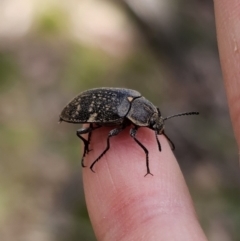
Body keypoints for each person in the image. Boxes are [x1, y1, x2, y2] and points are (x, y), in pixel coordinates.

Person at [82, 2, 239, 240]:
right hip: (89, 105)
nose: (156, 127)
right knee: (93, 131)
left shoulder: (139, 106)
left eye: (154, 124)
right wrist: (145, 156)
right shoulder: (130, 115)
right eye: (154, 124)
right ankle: (91, 146)